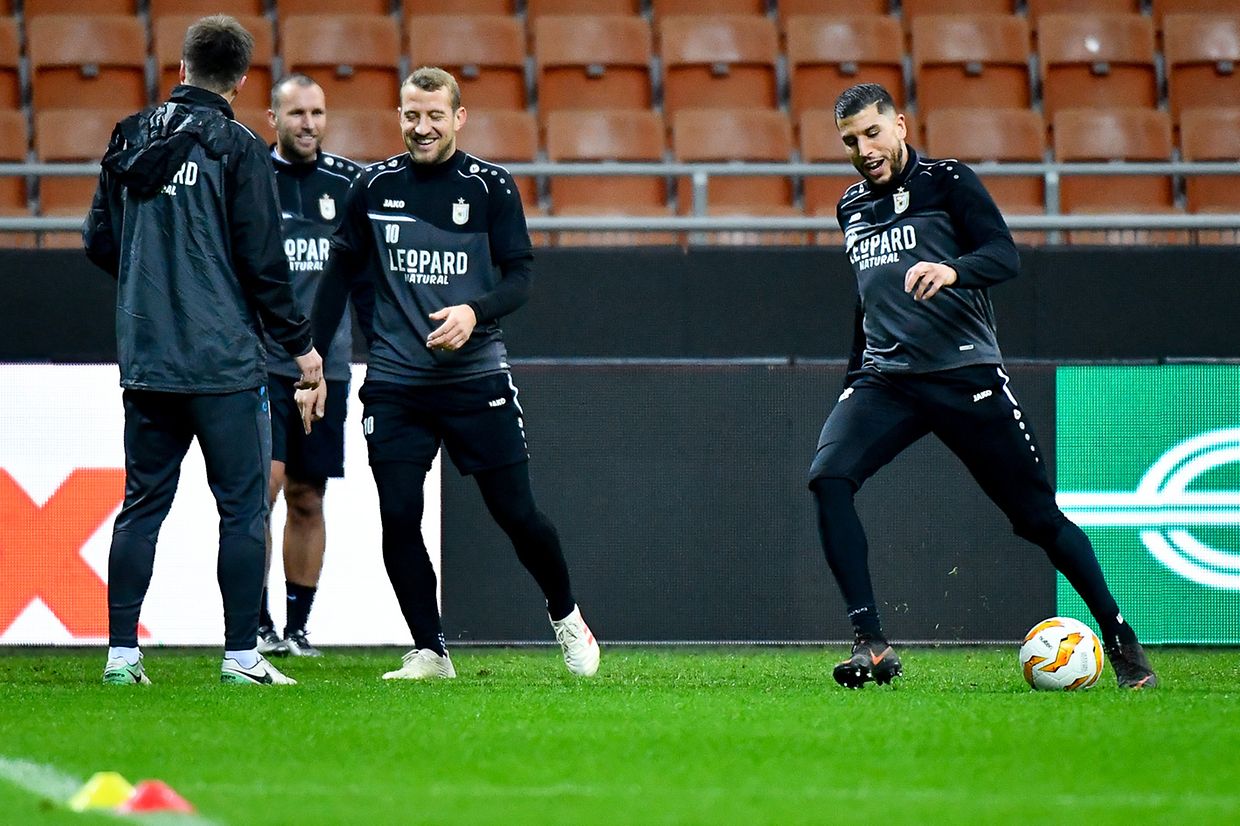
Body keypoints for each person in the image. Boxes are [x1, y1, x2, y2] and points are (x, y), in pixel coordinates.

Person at [810, 83, 1158, 690]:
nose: (864, 150)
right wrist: (852, 380)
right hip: (886, 381)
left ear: (900, 125)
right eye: (850, 141)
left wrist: (952, 270)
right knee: (829, 478)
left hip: (964, 375)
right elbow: (867, 300)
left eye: (872, 132)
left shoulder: (948, 181)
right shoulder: (851, 206)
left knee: (1038, 519)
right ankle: (871, 643)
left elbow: (1004, 255)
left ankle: (1121, 638)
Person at [298, 66, 599, 680]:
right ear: (399, 117)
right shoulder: (372, 186)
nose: (422, 127)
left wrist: (473, 311)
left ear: (458, 118)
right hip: (395, 383)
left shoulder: (490, 186)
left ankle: (567, 616)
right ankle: (431, 650)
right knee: (398, 514)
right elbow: (338, 276)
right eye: (412, 115)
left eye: (435, 115)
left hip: (475, 380)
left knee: (517, 514)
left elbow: (521, 275)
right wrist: (313, 362)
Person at [83, 15, 321, 686]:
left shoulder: (130, 135)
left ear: (182, 67)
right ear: (241, 81)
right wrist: (300, 346)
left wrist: (150, 284)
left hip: (149, 358)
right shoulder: (238, 147)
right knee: (242, 509)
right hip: (224, 363)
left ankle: (122, 656)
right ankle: (242, 657)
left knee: (141, 506)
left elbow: (99, 240)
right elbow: (263, 263)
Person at [256, 74, 362, 658]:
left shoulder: (349, 184)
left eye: (317, 113)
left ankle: (296, 629)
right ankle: (255, 624)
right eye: (297, 113)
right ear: (273, 119)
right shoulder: (251, 178)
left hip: (328, 366)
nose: (309, 124)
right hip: (263, 362)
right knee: (262, 490)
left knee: (307, 496)